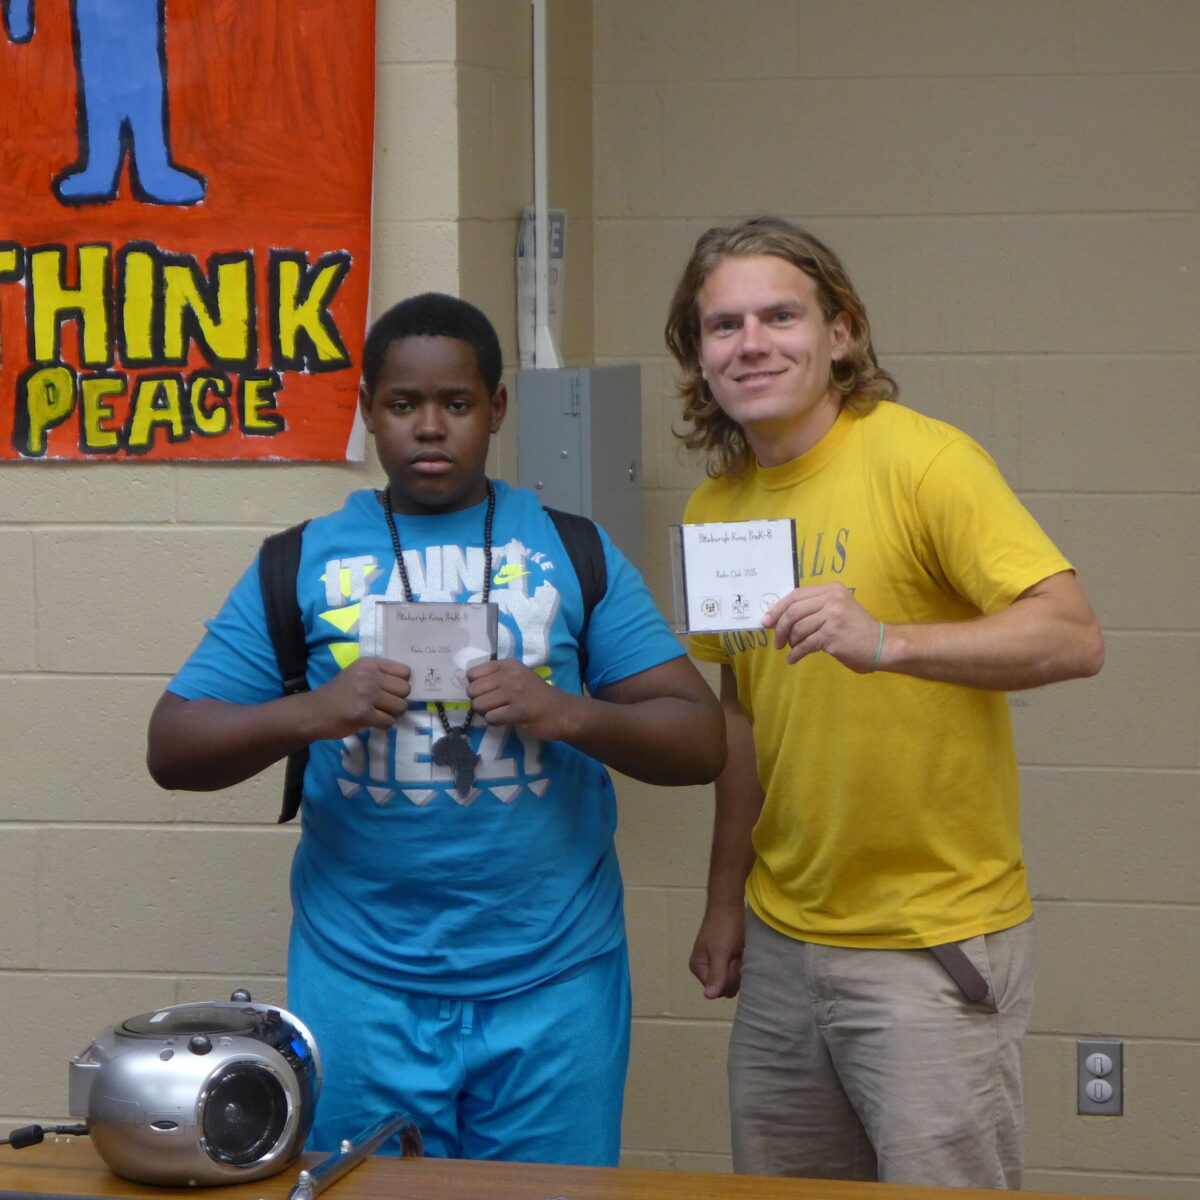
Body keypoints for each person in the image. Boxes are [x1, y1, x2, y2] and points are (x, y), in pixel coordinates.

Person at [147, 292, 724, 1166]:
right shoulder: (300, 559)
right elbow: (173, 746)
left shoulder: (573, 549)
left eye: (456, 403)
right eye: (402, 404)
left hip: (555, 981)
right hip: (361, 985)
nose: (429, 427)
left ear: (496, 408)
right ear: (367, 410)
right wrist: (314, 712)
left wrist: (565, 712)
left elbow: (700, 738)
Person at [664, 218, 1104, 1188]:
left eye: (781, 317)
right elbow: (744, 720)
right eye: (724, 326)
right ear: (697, 356)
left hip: (928, 945)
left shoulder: (924, 463)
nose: (752, 344)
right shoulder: (716, 510)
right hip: (783, 945)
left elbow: (1074, 635)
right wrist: (724, 902)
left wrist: (889, 642)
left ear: (842, 333)